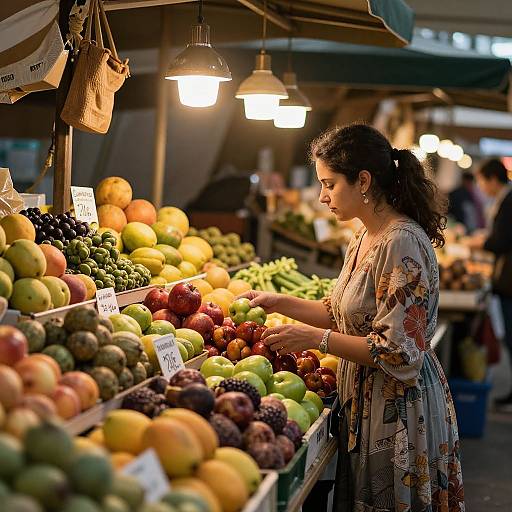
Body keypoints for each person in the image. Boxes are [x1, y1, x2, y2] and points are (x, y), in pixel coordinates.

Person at [243, 124, 464, 511]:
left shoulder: (400, 243)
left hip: (398, 412)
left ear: (362, 180)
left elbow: (398, 351)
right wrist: (277, 302)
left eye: (329, 184)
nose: (322, 196)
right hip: (364, 401)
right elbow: (337, 311)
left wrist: (314, 340)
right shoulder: (363, 235)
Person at [466, 158, 512, 407]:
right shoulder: (505, 200)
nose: (481, 186)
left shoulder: (508, 201)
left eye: (482, 181)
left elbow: (501, 242)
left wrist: (479, 242)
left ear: (493, 179)